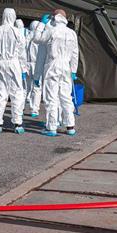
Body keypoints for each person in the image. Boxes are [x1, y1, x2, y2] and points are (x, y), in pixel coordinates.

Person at [34, 9, 79, 137]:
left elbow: (36, 38)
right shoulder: (71, 33)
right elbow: (75, 54)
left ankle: (52, 126)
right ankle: (70, 126)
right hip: (66, 66)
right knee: (66, 96)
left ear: (54, 18)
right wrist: (74, 71)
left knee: (51, 97)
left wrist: (42, 24)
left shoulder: (51, 30)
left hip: (52, 65)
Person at [0, 8, 28, 133]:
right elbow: (22, 53)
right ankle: (17, 123)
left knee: (1, 93)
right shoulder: (17, 32)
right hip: (14, 63)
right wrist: (23, 69)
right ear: (14, 17)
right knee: (17, 93)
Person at [26, 20, 47, 118]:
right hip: (37, 64)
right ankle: (34, 109)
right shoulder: (40, 38)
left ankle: (21, 107)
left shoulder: (27, 37)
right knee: (37, 88)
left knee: (25, 87)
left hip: (27, 64)